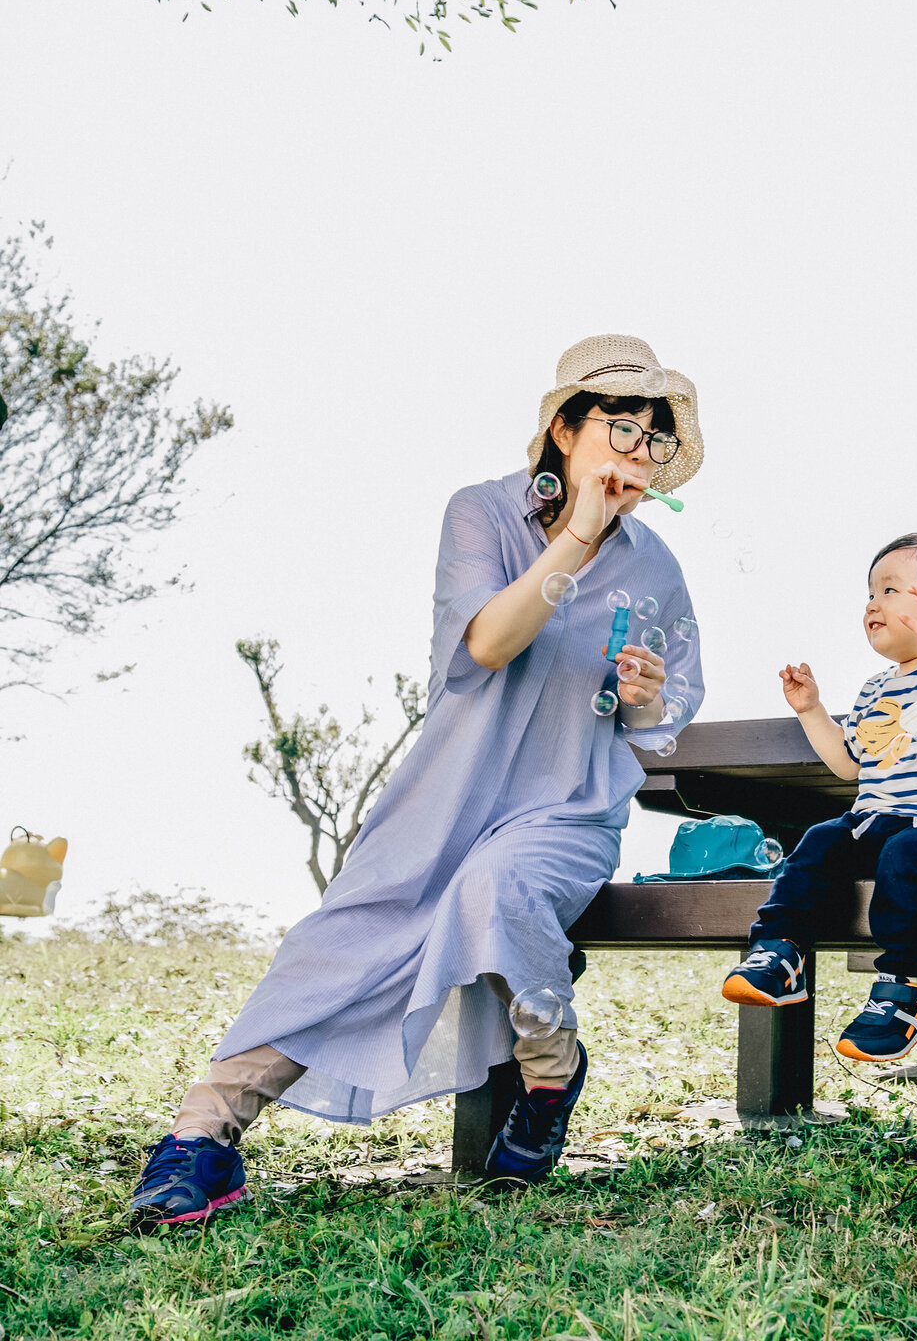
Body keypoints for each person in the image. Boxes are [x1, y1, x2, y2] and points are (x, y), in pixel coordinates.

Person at [131, 334, 705, 1225]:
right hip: (445, 795)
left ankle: (550, 1076)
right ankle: (201, 1140)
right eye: (620, 427)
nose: (638, 451)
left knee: (496, 885)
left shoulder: (657, 570)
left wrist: (642, 696)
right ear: (563, 428)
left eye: (653, 440)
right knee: (340, 942)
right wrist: (580, 536)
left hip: (564, 810)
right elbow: (483, 644)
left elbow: (659, 727)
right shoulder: (481, 515)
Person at [721, 532, 917, 1065]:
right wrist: (812, 711)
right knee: (823, 839)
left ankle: (905, 987)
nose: (874, 603)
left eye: (893, 590)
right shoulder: (874, 689)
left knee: (905, 854)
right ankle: (782, 952)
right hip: (878, 821)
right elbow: (852, 764)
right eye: (871, 592)